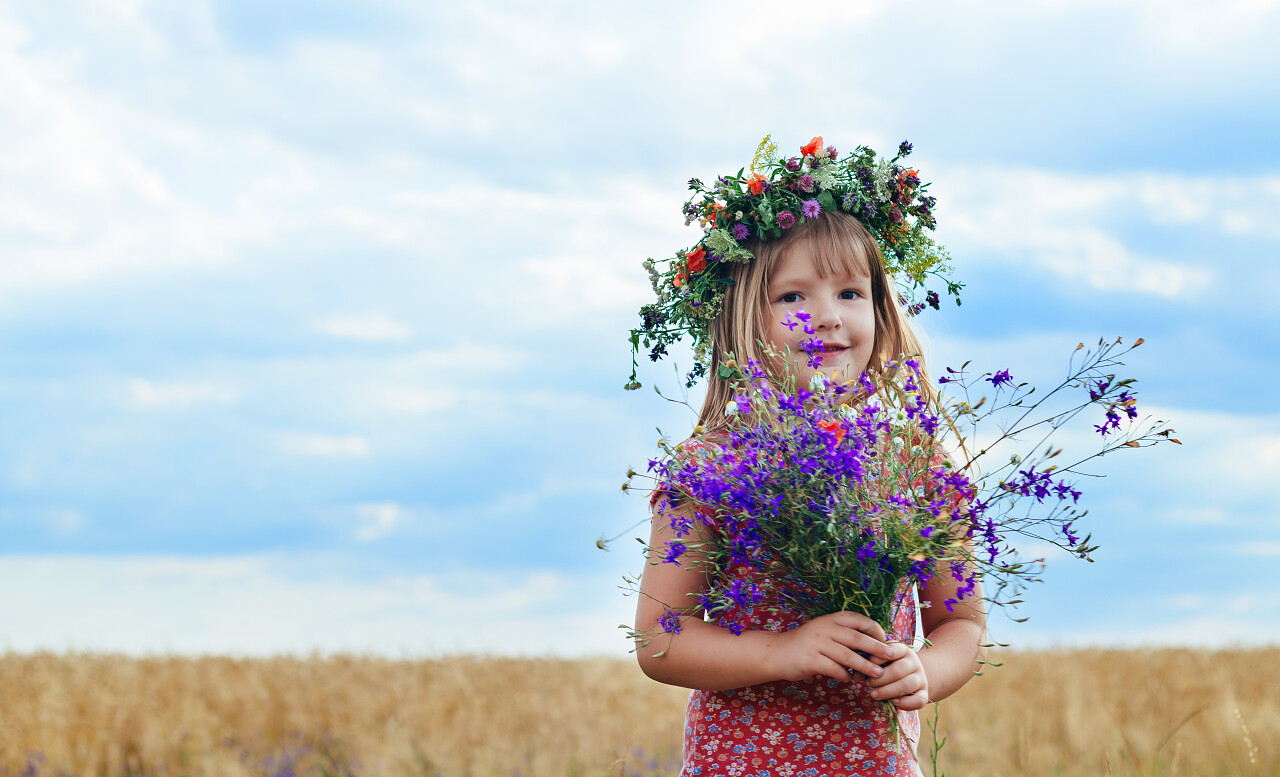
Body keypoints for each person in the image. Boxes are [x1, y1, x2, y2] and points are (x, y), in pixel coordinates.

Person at [630, 137, 986, 776]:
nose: (826, 317)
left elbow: (960, 622)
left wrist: (924, 671)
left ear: (879, 309)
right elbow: (659, 638)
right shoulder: (712, 468)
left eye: (850, 293)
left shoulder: (914, 466)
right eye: (793, 297)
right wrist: (784, 651)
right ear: (745, 319)